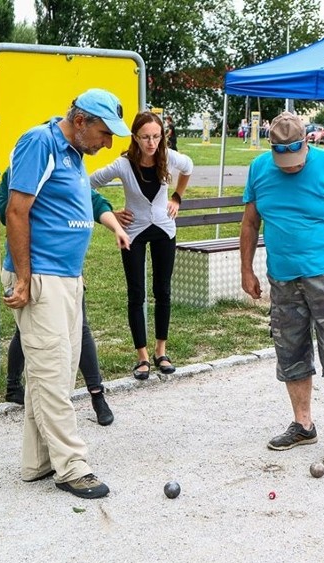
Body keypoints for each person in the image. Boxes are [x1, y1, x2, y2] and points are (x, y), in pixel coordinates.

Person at [1, 88, 131, 499]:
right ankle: (72, 466)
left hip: (66, 277)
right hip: (40, 277)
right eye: (104, 133)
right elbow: (16, 210)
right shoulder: (40, 142)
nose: (108, 143)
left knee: (55, 369)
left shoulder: (73, 155)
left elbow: (77, 205)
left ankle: (37, 461)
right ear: (80, 121)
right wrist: (24, 277)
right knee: (54, 373)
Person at [239, 111, 324, 465]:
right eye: (283, 159)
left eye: (294, 159)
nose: (290, 167)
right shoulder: (260, 169)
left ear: (308, 142)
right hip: (282, 277)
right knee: (290, 350)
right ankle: (303, 424)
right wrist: (246, 270)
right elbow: (250, 222)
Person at [0, 166, 127, 426]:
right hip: (33, 269)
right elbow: (6, 210)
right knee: (30, 334)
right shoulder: (23, 168)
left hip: (65, 272)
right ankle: (19, 390)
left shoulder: (68, 169)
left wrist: (114, 226)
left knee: (78, 328)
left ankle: (95, 394)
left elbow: (93, 200)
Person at [90, 111, 193, 380]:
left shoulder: (168, 158)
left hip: (163, 229)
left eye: (156, 137)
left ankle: (161, 351)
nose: (151, 143)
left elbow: (189, 166)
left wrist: (177, 197)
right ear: (135, 137)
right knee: (136, 293)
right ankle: (142, 357)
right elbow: (89, 182)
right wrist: (111, 212)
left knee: (163, 291)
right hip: (133, 232)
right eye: (146, 137)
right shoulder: (123, 164)